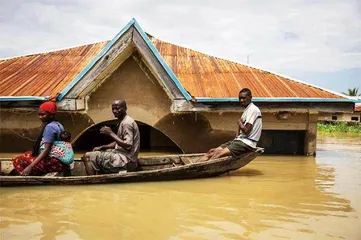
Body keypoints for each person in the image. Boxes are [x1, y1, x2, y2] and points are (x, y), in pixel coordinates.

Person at [201, 88, 262, 161]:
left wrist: (239, 122)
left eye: (244, 98)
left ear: (250, 97)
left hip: (247, 143)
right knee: (211, 152)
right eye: (240, 98)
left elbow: (246, 131)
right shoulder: (247, 110)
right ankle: (194, 165)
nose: (241, 100)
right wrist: (236, 137)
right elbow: (240, 131)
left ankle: (201, 170)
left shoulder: (253, 109)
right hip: (239, 140)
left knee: (218, 154)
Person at [82, 99, 140, 175]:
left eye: (117, 108)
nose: (115, 111)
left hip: (125, 160)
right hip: (123, 157)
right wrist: (103, 147)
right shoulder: (123, 121)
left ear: (125, 108)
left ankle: (91, 182)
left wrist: (111, 133)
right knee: (100, 152)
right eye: (113, 109)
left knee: (87, 156)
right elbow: (118, 141)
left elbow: (128, 145)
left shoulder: (126, 123)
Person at [12, 101, 69, 176]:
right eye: (39, 114)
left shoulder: (50, 127)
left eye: (43, 115)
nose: (40, 117)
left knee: (17, 160)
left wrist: (30, 166)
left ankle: (28, 174)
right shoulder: (58, 124)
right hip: (59, 160)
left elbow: (46, 150)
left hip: (53, 162)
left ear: (51, 115)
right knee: (28, 154)